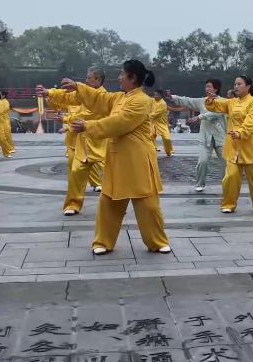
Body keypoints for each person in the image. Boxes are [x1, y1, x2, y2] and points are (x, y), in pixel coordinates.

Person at [42, 59, 171, 254]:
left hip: (138, 161)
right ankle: (103, 242)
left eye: (122, 74)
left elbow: (119, 123)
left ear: (132, 78)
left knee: (148, 204)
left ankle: (157, 242)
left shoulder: (142, 100)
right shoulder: (119, 97)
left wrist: (88, 126)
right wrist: (76, 87)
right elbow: (99, 98)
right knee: (109, 202)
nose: (119, 77)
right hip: (117, 159)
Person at [206, 76, 253, 213]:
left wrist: (240, 132)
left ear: (248, 87)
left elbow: (251, 121)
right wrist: (211, 100)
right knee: (231, 176)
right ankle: (228, 204)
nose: (236, 86)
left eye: (239, 84)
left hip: (250, 145)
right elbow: (215, 106)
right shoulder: (231, 102)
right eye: (235, 84)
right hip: (233, 145)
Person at [46, 67, 107, 215]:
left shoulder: (103, 96)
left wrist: (66, 120)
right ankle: (72, 204)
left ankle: (116, 202)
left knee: (111, 174)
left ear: (98, 79)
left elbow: (87, 115)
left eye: (89, 78)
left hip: (101, 143)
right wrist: (49, 92)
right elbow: (68, 97)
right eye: (86, 78)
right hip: (83, 142)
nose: (86, 81)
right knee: (76, 171)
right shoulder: (83, 94)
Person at [169, 79, 226, 193]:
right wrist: (174, 97)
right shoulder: (202, 101)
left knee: (227, 162)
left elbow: (216, 113)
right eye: (206, 87)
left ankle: (228, 183)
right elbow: (188, 101)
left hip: (220, 137)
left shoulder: (223, 102)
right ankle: (200, 183)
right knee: (202, 161)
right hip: (205, 137)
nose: (207, 89)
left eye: (209, 86)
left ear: (216, 89)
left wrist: (199, 117)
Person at [151, 90, 174, 156]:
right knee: (151, 136)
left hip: (162, 124)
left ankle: (169, 151)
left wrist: (146, 116)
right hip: (153, 122)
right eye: (154, 95)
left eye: (157, 95)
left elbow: (156, 113)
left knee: (167, 138)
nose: (155, 96)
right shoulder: (152, 101)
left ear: (161, 96)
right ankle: (154, 148)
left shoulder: (163, 104)